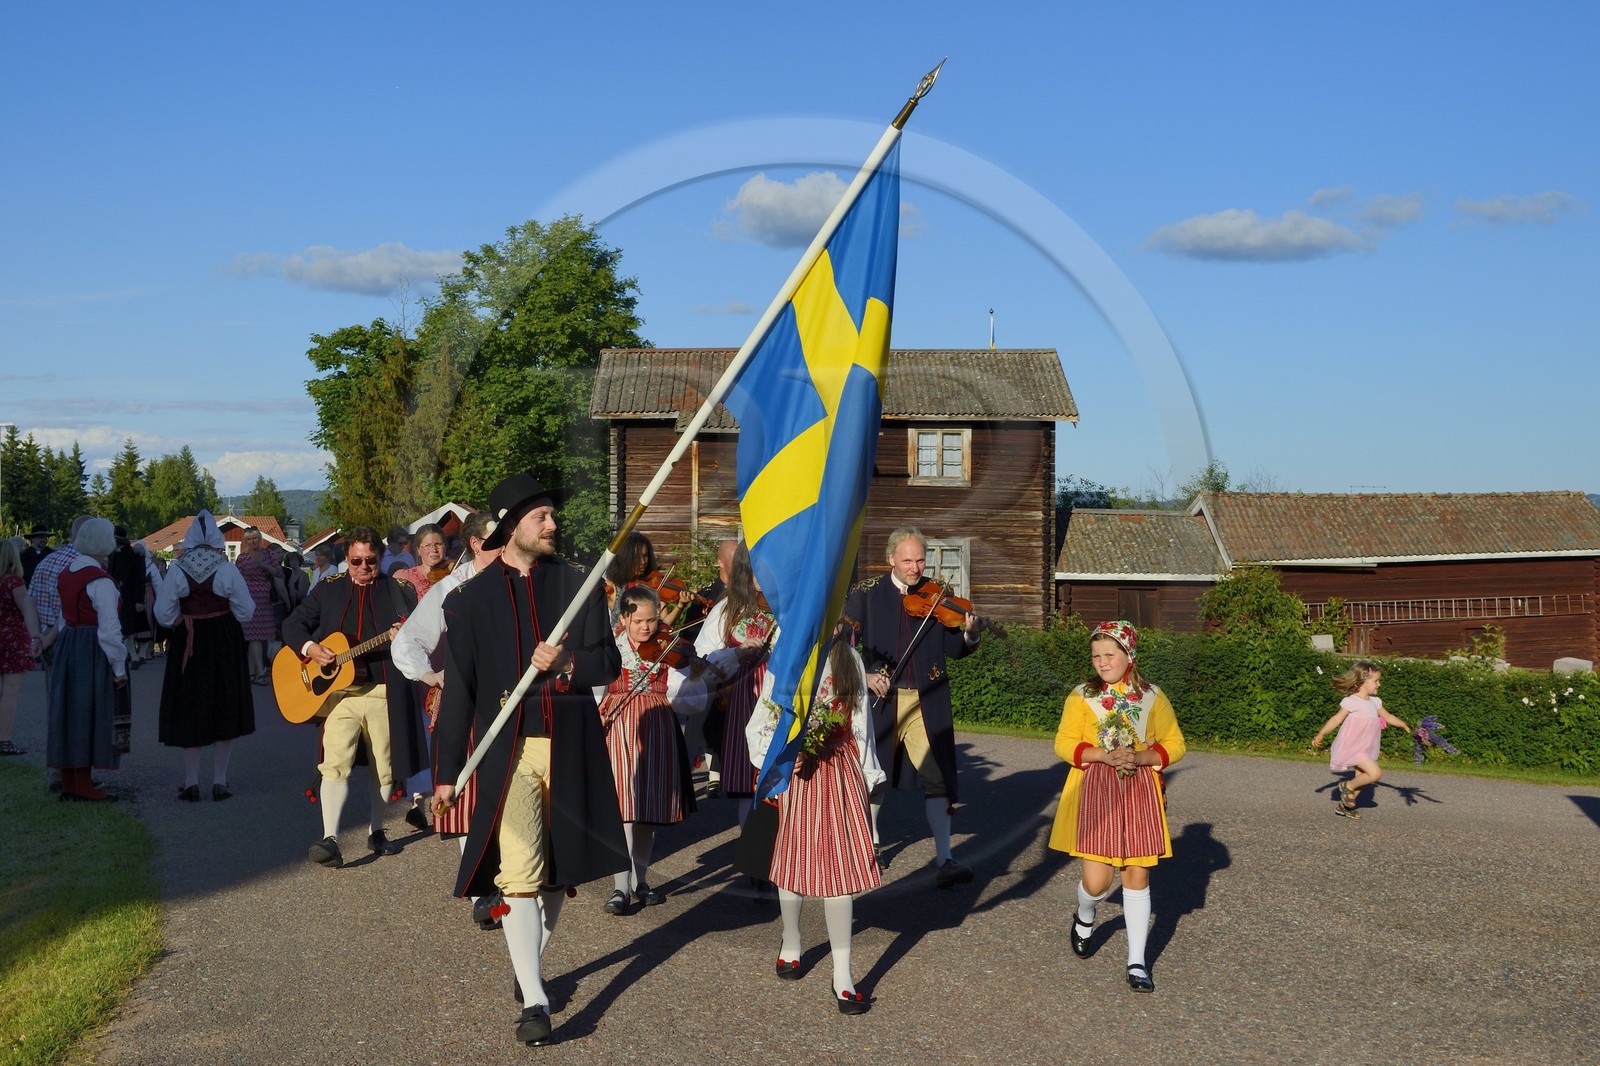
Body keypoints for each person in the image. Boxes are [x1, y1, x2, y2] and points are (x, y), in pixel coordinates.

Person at [432, 474, 626, 1047]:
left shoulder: (578, 584)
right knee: (518, 869)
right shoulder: (467, 599)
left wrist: (568, 661)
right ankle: (536, 1001)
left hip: (571, 744)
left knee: (555, 873)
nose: (552, 524)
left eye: (551, 515)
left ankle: (528, 968)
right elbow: (460, 689)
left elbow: (607, 664)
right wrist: (447, 772)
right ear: (509, 525)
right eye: (540, 516)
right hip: (507, 751)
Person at [747, 629, 884, 1014]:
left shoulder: (849, 658)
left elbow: (860, 726)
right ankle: (791, 940)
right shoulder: (786, 659)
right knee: (794, 858)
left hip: (838, 769)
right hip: (795, 767)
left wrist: (865, 776)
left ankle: (843, 975)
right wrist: (770, 766)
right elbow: (764, 717)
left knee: (838, 870)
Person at [1047, 620, 1186, 994]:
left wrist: (1142, 757)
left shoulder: (1152, 697)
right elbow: (1063, 742)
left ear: (1130, 655)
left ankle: (1137, 961)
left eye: (1110, 654)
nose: (1102, 662)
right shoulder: (1080, 696)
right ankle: (1085, 913)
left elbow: (1174, 743)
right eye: (1096, 656)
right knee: (1097, 881)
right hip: (1095, 788)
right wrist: (1101, 755)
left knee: (1136, 876)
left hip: (1139, 789)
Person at [843, 527, 981, 888]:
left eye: (920, 559)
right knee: (873, 775)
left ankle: (945, 858)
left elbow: (955, 648)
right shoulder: (866, 594)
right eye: (907, 560)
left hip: (927, 697)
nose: (915, 567)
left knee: (937, 777)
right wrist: (865, 673)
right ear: (891, 559)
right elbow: (842, 642)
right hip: (881, 697)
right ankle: (870, 847)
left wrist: (971, 634)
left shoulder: (939, 595)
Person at [283, 526, 425, 868]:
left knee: (384, 766)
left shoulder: (398, 590)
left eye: (370, 561)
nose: (363, 567)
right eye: (355, 561)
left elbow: (421, 633)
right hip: (339, 696)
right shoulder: (329, 590)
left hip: (382, 689)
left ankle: (377, 831)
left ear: (380, 557)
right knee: (335, 761)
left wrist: (403, 636)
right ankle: (330, 838)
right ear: (346, 559)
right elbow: (293, 625)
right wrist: (311, 649)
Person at [392, 511, 500, 862]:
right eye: (497, 541)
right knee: (464, 794)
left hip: (514, 704)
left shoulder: (521, 581)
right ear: (476, 544)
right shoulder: (452, 586)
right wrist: (430, 675)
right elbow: (407, 642)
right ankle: (481, 892)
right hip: (466, 705)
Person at [595, 584, 703, 914]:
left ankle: (640, 880)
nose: (647, 628)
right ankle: (619, 886)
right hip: (620, 728)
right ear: (625, 617)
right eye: (640, 621)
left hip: (657, 728)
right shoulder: (609, 647)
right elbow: (594, 691)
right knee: (624, 810)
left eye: (653, 621)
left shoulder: (665, 646)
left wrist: (699, 672)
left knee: (647, 812)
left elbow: (689, 689)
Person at [154, 510, 256, 801]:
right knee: (224, 703)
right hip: (223, 638)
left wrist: (181, 620)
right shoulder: (227, 568)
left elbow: (163, 614)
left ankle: (191, 782)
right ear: (216, 538)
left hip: (190, 638)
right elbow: (246, 611)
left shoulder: (177, 567)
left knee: (190, 705)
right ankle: (220, 781)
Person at [46, 518, 130, 802]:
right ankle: (81, 785)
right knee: (88, 711)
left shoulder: (68, 572)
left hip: (70, 643)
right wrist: (119, 667)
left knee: (68, 711)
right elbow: (109, 630)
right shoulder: (99, 579)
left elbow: (62, 617)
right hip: (91, 647)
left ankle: (70, 782)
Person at [693, 541, 775, 826]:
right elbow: (702, 659)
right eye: (758, 570)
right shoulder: (728, 609)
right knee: (746, 784)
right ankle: (752, 853)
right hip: (743, 703)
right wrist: (735, 653)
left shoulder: (787, 608)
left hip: (779, 698)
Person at [1313, 660, 1411, 819]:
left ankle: (1344, 807)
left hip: (1367, 746)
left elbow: (1387, 716)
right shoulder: (1351, 701)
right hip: (1354, 746)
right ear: (1363, 681)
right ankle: (1347, 785)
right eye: (1376, 681)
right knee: (1375, 774)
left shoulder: (1375, 702)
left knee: (1363, 778)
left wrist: (1403, 724)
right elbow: (1336, 719)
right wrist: (1321, 733)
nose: (1379, 684)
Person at [1, 537, 45, 756]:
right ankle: (4, 740)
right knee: (10, 692)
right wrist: (35, 634)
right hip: (11, 639)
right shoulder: (14, 582)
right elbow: (26, 608)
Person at [235, 528, 284, 685]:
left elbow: (278, 573)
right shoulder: (242, 558)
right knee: (253, 636)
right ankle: (260, 673)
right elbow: (236, 577)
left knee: (257, 637)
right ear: (245, 541)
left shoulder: (268, 554)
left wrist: (264, 566)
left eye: (254, 538)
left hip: (264, 598)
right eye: (249, 539)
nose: (252, 542)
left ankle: (252, 673)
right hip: (248, 597)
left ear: (260, 538)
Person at [395, 523, 449, 601]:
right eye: (427, 546)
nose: (434, 550)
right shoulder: (404, 576)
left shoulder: (456, 572)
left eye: (438, 544)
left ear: (445, 546)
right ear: (418, 550)